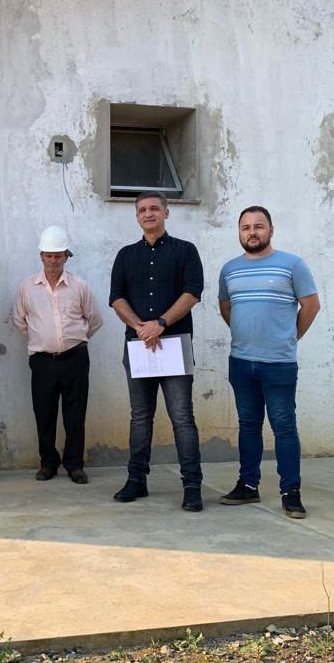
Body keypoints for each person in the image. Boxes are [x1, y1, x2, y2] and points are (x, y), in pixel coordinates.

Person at [218, 206, 321, 519]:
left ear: (271, 230)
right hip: (241, 362)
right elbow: (226, 309)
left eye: (258, 226)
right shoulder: (229, 270)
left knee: (284, 427)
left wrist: (289, 338)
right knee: (248, 426)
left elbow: (311, 306)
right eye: (245, 227)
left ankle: (291, 492)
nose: (252, 232)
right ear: (239, 232)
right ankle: (248, 486)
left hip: (279, 364)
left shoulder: (291, 265)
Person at [109, 191, 205, 512]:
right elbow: (116, 298)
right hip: (138, 345)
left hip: (174, 345)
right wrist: (140, 326)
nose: (148, 214)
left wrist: (160, 323)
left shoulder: (186, 251)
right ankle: (137, 480)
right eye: (142, 210)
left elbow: (193, 293)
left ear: (167, 212)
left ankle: (192, 486)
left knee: (182, 418)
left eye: (154, 208)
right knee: (140, 418)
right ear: (137, 217)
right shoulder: (125, 255)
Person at [12, 225, 103, 484]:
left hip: (75, 358)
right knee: (44, 413)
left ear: (66, 256)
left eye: (58, 255)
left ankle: (74, 464)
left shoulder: (79, 286)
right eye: (48, 255)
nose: (53, 260)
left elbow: (94, 320)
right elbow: (19, 321)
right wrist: (42, 341)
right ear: (41, 256)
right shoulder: (27, 288)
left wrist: (75, 340)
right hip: (42, 361)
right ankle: (47, 463)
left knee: (75, 414)